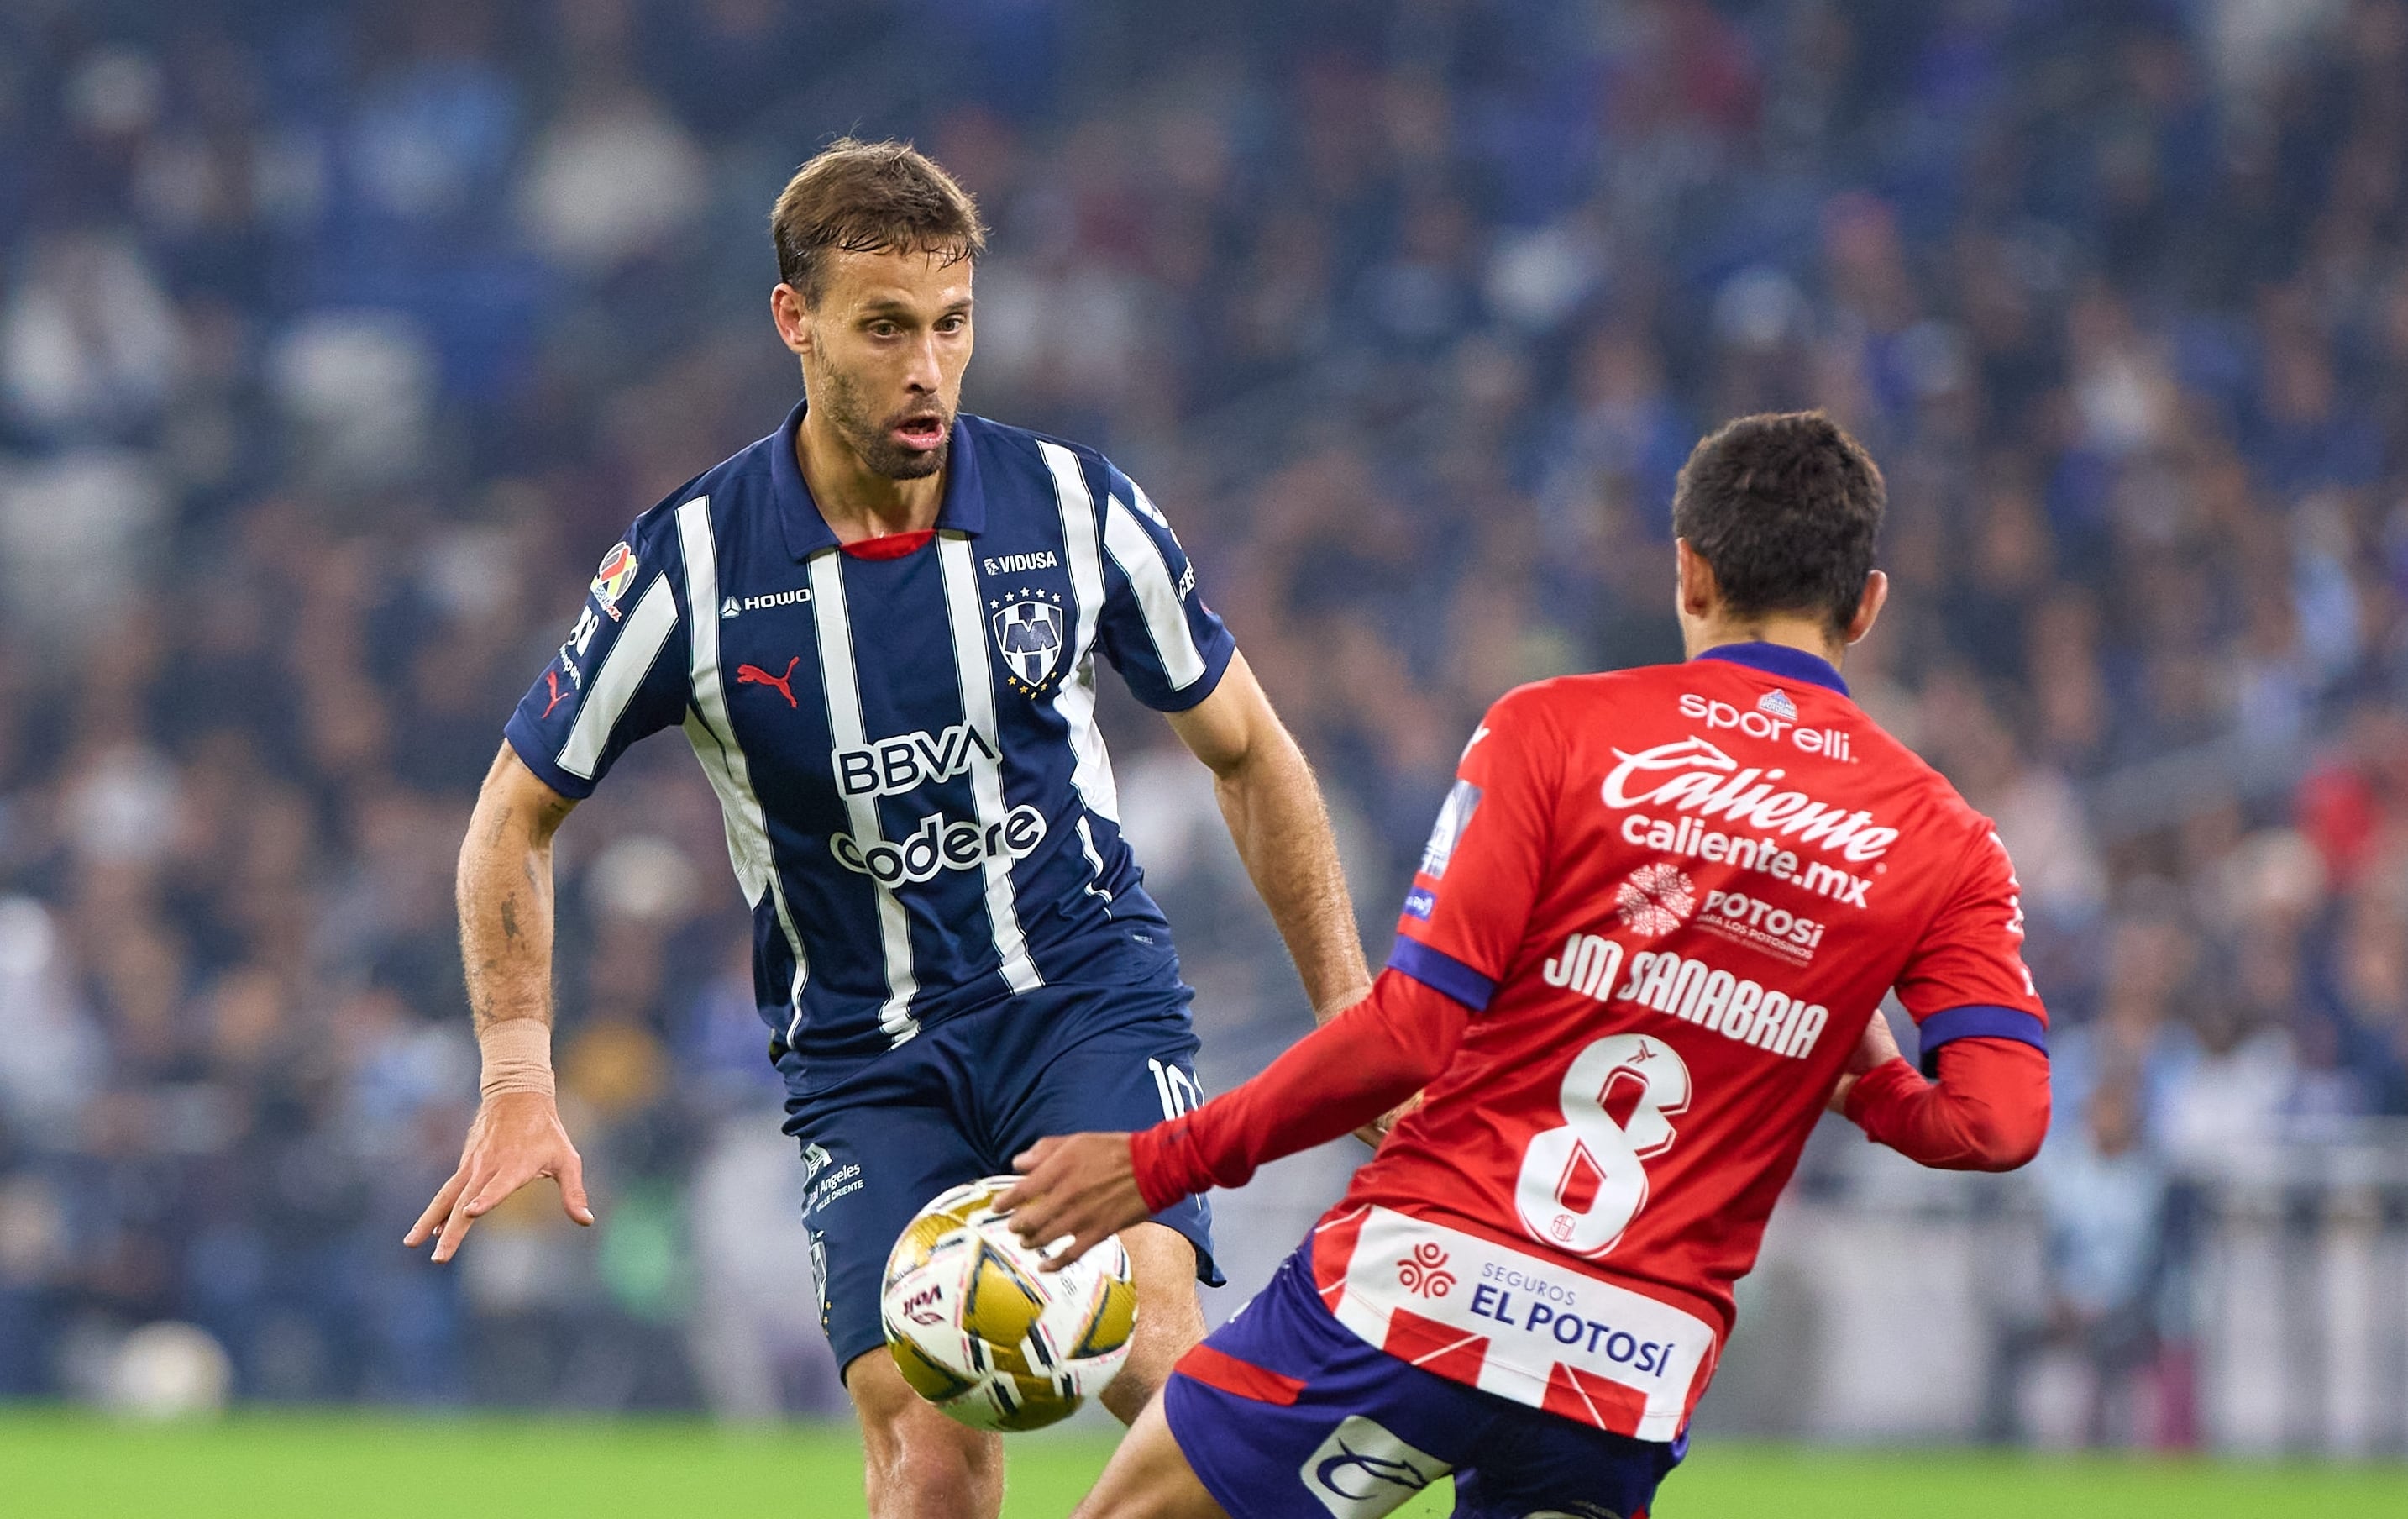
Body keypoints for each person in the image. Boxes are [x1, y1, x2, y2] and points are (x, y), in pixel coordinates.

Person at [401, 139, 1371, 1519]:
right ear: (796, 322)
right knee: (930, 1469)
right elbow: (513, 814)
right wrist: (514, 1079)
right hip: (864, 1055)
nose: (928, 368)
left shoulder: (1074, 511)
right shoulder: (689, 565)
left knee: (1160, 1362)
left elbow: (1253, 756)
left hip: (1080, 1001)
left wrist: (1347, 1020)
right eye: (885, 328)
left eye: (953, 325)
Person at [1004, 412, 2054, 1519]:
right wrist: (1867, 1081)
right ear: (1868, 603)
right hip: (1631, 1367)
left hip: (1424, 1286)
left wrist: (1166, 1160)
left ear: (1689, 573)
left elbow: (1410, 1033)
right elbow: (1997, 1125)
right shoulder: (1948, 842)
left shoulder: (1555, 731)